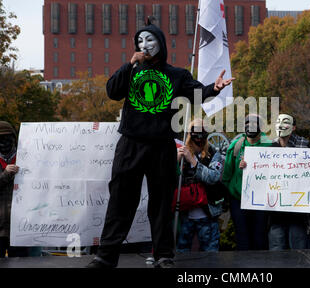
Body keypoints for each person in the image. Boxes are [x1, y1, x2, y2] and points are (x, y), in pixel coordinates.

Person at [87, 22, 233, 268]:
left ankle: (163, 254)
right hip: (131, 144)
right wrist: (129, 63)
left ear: (161, 44)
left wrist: (214, 89)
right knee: (121, 201)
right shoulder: (131, 71)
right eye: (140, 41)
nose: (144, 45)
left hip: (162, 146)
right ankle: (106, 256)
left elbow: (198, 93)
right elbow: (113, 91)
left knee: (162, 203)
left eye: (150, 40)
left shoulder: (176, 75)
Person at [268, 114, 310, 250]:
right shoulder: (269, 148)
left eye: (286, 122)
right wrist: (246, 165)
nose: (281, 125)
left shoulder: (304, 145)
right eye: (278, 121)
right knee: (276, 255)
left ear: (293, 127)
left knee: (299, 255)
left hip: (298, 214)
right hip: (276, 213)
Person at [222, 114, 272, 250]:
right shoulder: (236, 146)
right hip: (238, 200)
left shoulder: (270, 146)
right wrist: (229, 196)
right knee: (242, 238)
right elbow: (226, 175)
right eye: (247, 123)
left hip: (261, 201)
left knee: (260, 238)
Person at [175, 119, 226, 252]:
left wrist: (192, 161)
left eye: (202, 131)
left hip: (207, 214)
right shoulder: (181, 152)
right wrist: (176, 161)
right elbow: (167, 179)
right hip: (185, 214)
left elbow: (213, 177)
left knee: (210, 255)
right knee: (182, 254)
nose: (198, 136)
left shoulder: (214, 154)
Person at [0, 121, 26, 258]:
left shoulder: (27, 158)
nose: (4, 142)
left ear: (14, 138)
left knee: (20, 263)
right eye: (0, 138)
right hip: (0, 226)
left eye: (7, 137)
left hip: (21, 226)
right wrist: (5, 174)